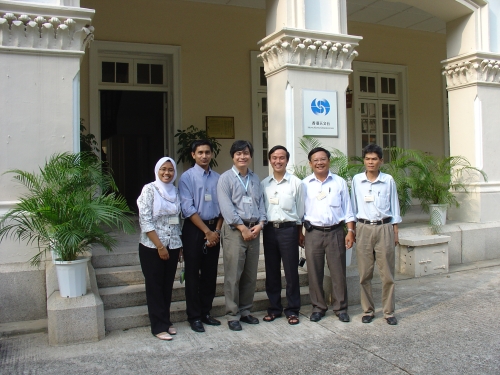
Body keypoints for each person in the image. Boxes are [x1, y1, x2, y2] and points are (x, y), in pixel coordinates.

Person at [299, 147, 355, 323]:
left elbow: (348, 209)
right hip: (312, 233)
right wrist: (299, 233)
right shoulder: (304, 184)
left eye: (323, 159)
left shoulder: (339, 183)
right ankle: (318, 307)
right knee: (314, 273)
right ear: (310, 164)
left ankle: (340, 307)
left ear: (329, 161)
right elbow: (299, 211)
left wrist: (351, 231)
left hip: (336, 232)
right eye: (315, 160)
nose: (319, 163)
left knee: (338, 272)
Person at [217, 140, 267, 331]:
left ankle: (246, 311)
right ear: (233, 156)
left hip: (254, 230)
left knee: (250, 275)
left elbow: (261, 204)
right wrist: (242, 228)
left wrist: (261, 224)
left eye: (246, 153)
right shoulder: (226, 179)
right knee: (233, 275)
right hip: (234, 232)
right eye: (238, 154)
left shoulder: (255, 179)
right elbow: (226, 208)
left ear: (250, 156)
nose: (242, 157)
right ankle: (232, 314)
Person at [350, 144, 401, 325]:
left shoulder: (388, 180)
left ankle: (388, 312)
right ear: (364, 161)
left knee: (387, 274)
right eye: (367, 159)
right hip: (363, 228)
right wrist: (352, 230)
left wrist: (395, 232)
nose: (370, 162)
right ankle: (368, 310)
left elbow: (395, 206)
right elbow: (353, 206)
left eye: (374, 159)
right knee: (365, 273)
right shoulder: (356, 180)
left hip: (384, 228)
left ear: (381, 161)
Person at [179, 140, 223, 333]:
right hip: (194, 230)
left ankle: (206, 312)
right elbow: (187, 208)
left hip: (215, 230)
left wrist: (217, 232)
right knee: (192, 275)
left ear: (212, 154)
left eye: (207, 152)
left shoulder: (218, 178)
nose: (204, 156)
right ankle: (194, 316)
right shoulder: (186, 178)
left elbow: (223, 207)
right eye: (200, 152)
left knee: (209, 274)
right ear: (193, 155)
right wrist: (207, 232)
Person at [137, 157, 183, 341]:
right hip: (152, 247)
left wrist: (179, 246)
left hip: (173, 245)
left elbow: (178, 220)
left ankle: (166, 320)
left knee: (167, 286)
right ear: (157, 170)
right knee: (155, 287)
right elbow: (145, 220)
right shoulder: (149, 189)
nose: (167, 173)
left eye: (170, 170)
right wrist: (160, 246)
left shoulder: (176, 191)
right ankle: (158, 326)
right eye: (163, 169)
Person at [261, 145, 304, 325]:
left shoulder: (296, 183)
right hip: (270, 230)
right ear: (270, 160)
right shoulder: (264, 184)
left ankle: (293, 309)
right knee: (271, 272)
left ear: (287, 160)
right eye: (274, 158)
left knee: (291, 272)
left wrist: (300, 233)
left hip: (289, 230)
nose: (278, 161)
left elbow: (301, 211)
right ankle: (274, 308)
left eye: (281, 158)